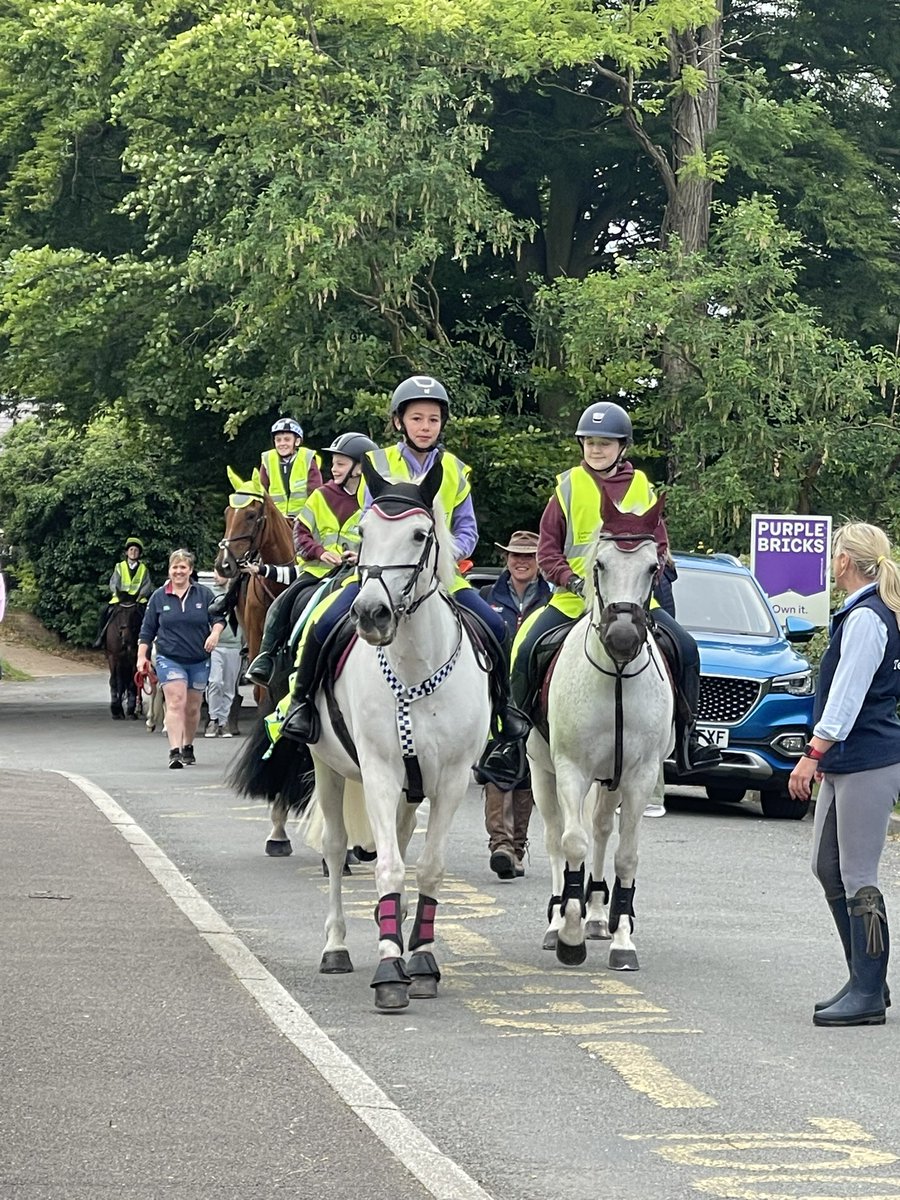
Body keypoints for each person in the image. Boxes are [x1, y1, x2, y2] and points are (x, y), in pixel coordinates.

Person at [279, 375, 529, 782]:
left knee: (497, 627)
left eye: (433, 419)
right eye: (417, 418)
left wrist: (446, 556)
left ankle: (503, 717)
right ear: (399, 422)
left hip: (441, 578)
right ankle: (302, 704)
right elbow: (366, 518)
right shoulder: (378, 465)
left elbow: (467, 529)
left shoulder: (456, 471)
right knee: (324, 622)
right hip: (381, 575)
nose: (425, 426)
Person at [480, 399, 722, 785]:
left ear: (622, 447)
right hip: (574, 598)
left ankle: (690, 735)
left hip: (634, 602)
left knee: (685, 647)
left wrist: (655, 566)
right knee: (524, 648)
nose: (596, 449)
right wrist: (571, 581)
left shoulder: (641, 486)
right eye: (590, 442)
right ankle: (512, 740)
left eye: (605, 443)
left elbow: (658, 543)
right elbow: (547, 550)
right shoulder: (568, 487)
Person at [788, 522, 900, 1028]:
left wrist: (812, 753)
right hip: (846, 758)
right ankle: (864, 976)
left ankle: (869, 991)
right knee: (826, 867)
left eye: (835, 556)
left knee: (857, 874)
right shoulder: (860, 612)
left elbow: (847, 699)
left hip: (867, 757)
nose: (831, 564)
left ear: (846, 562)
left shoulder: (868, 619)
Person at [245, 431, 378, 687]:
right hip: (318, 572)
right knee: (280, 604)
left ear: (359, 468)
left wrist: (362, 555)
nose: (333, 469)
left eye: (340, 463)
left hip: (360, 573)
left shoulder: (374, 498)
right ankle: (267, 656)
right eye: (334, 463)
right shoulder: (320, 496)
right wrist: (319, 552)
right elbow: (300, 534)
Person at [479, 531, 551, 879]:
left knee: (526, 769)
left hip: (534, 697)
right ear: (505, 559)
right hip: (496, 693)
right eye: (514, 556)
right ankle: (500, 845)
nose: (521, 562)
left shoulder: (551, 602)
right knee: (496, 765)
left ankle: (517, 848)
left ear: (540, 562)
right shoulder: (486, 598)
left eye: (529, 556)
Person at [137, 549, 226, 769]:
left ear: (190, 570)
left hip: (198, 659)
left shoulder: (203, 594)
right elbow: (147, 630)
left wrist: (214, 634)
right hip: (169, 658)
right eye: (175, 567)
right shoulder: (159, 596)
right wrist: (142, 657)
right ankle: (174, 751)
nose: (178, 571)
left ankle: (188, 745)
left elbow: (218, 618)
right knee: (176, 702)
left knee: (193, 707)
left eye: (183, 567)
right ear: (169, 570)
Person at [204, 569, 244, 738]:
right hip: (215, 646)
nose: (215, 576)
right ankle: (213, 719)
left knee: (229, 686)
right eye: (214, 572)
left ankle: (224, 720)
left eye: (219, 573)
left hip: (235, 646)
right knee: (215, 682)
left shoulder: (239, 594)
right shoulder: (210, 593)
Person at [93, 536, 153, 647]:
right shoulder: (119, 566)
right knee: (105, 611)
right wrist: (118, 594)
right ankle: (101, 636)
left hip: (137, 599)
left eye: (136, 550)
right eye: (131, 550)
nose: (133, 552)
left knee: (147, 616)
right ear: (126, 552)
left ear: (139, 553)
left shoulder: (143, 569)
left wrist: (140, 596)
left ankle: (148, 641)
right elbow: (114, 582)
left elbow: (147, 584)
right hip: (121, 598)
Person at [259, 416, 323, 520]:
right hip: (275, 520)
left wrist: (306, 516)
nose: (282, 443)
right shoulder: (267, 460)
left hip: (302, 519)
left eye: (287, 439)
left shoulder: (307, 459)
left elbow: (315, 493)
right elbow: (261, 491)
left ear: (297, 442)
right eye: (278, 440)